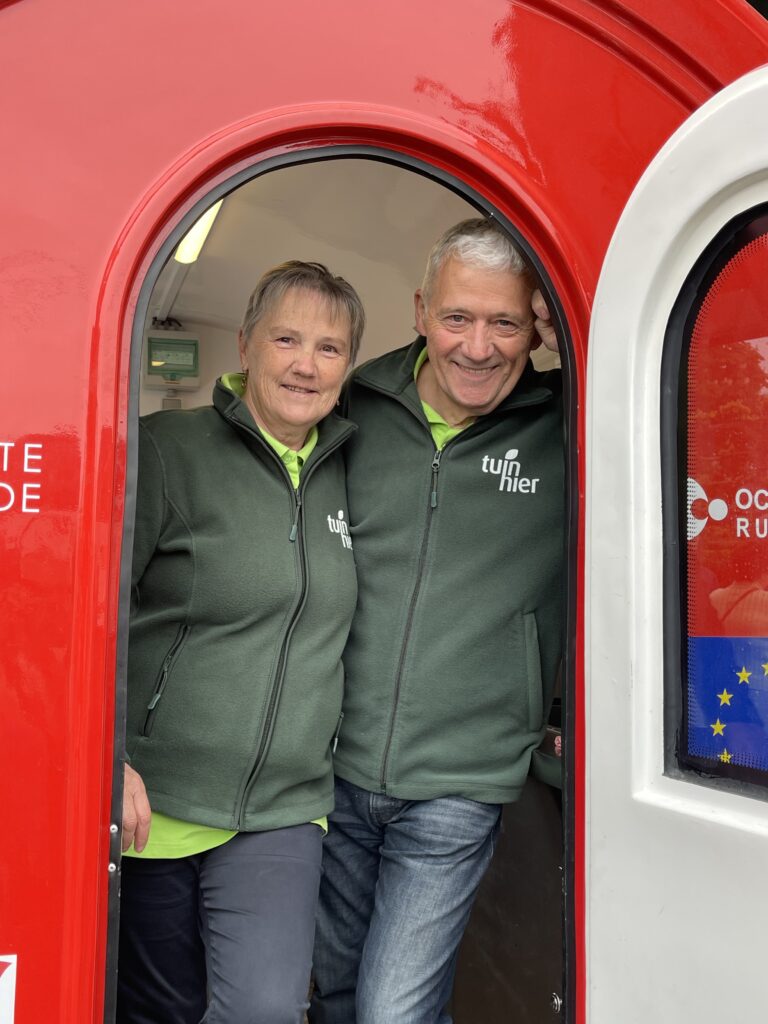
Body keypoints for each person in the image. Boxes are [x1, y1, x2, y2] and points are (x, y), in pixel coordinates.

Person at [310, 219, 564, 1024]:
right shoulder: (352, 406)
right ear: (422, 311)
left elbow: (706, 376)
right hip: (331, 764)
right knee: (336, 995)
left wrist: (572, 322)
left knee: (393, 1012)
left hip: (461, 778)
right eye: (458, 318)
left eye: (507, 322)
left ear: (536, 327)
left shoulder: (573, 420)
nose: (479, 348)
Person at [118, 260, 364, 1024]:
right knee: (159, 1010)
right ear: (245, 345)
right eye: (286, 339)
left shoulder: (354, 469)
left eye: (329, 347)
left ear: (348, 367)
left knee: (265, 1009)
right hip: (154, 801)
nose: (305, 364)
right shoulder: (167, 450)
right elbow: (87, 612)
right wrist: (106, 757)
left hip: (283, 807)